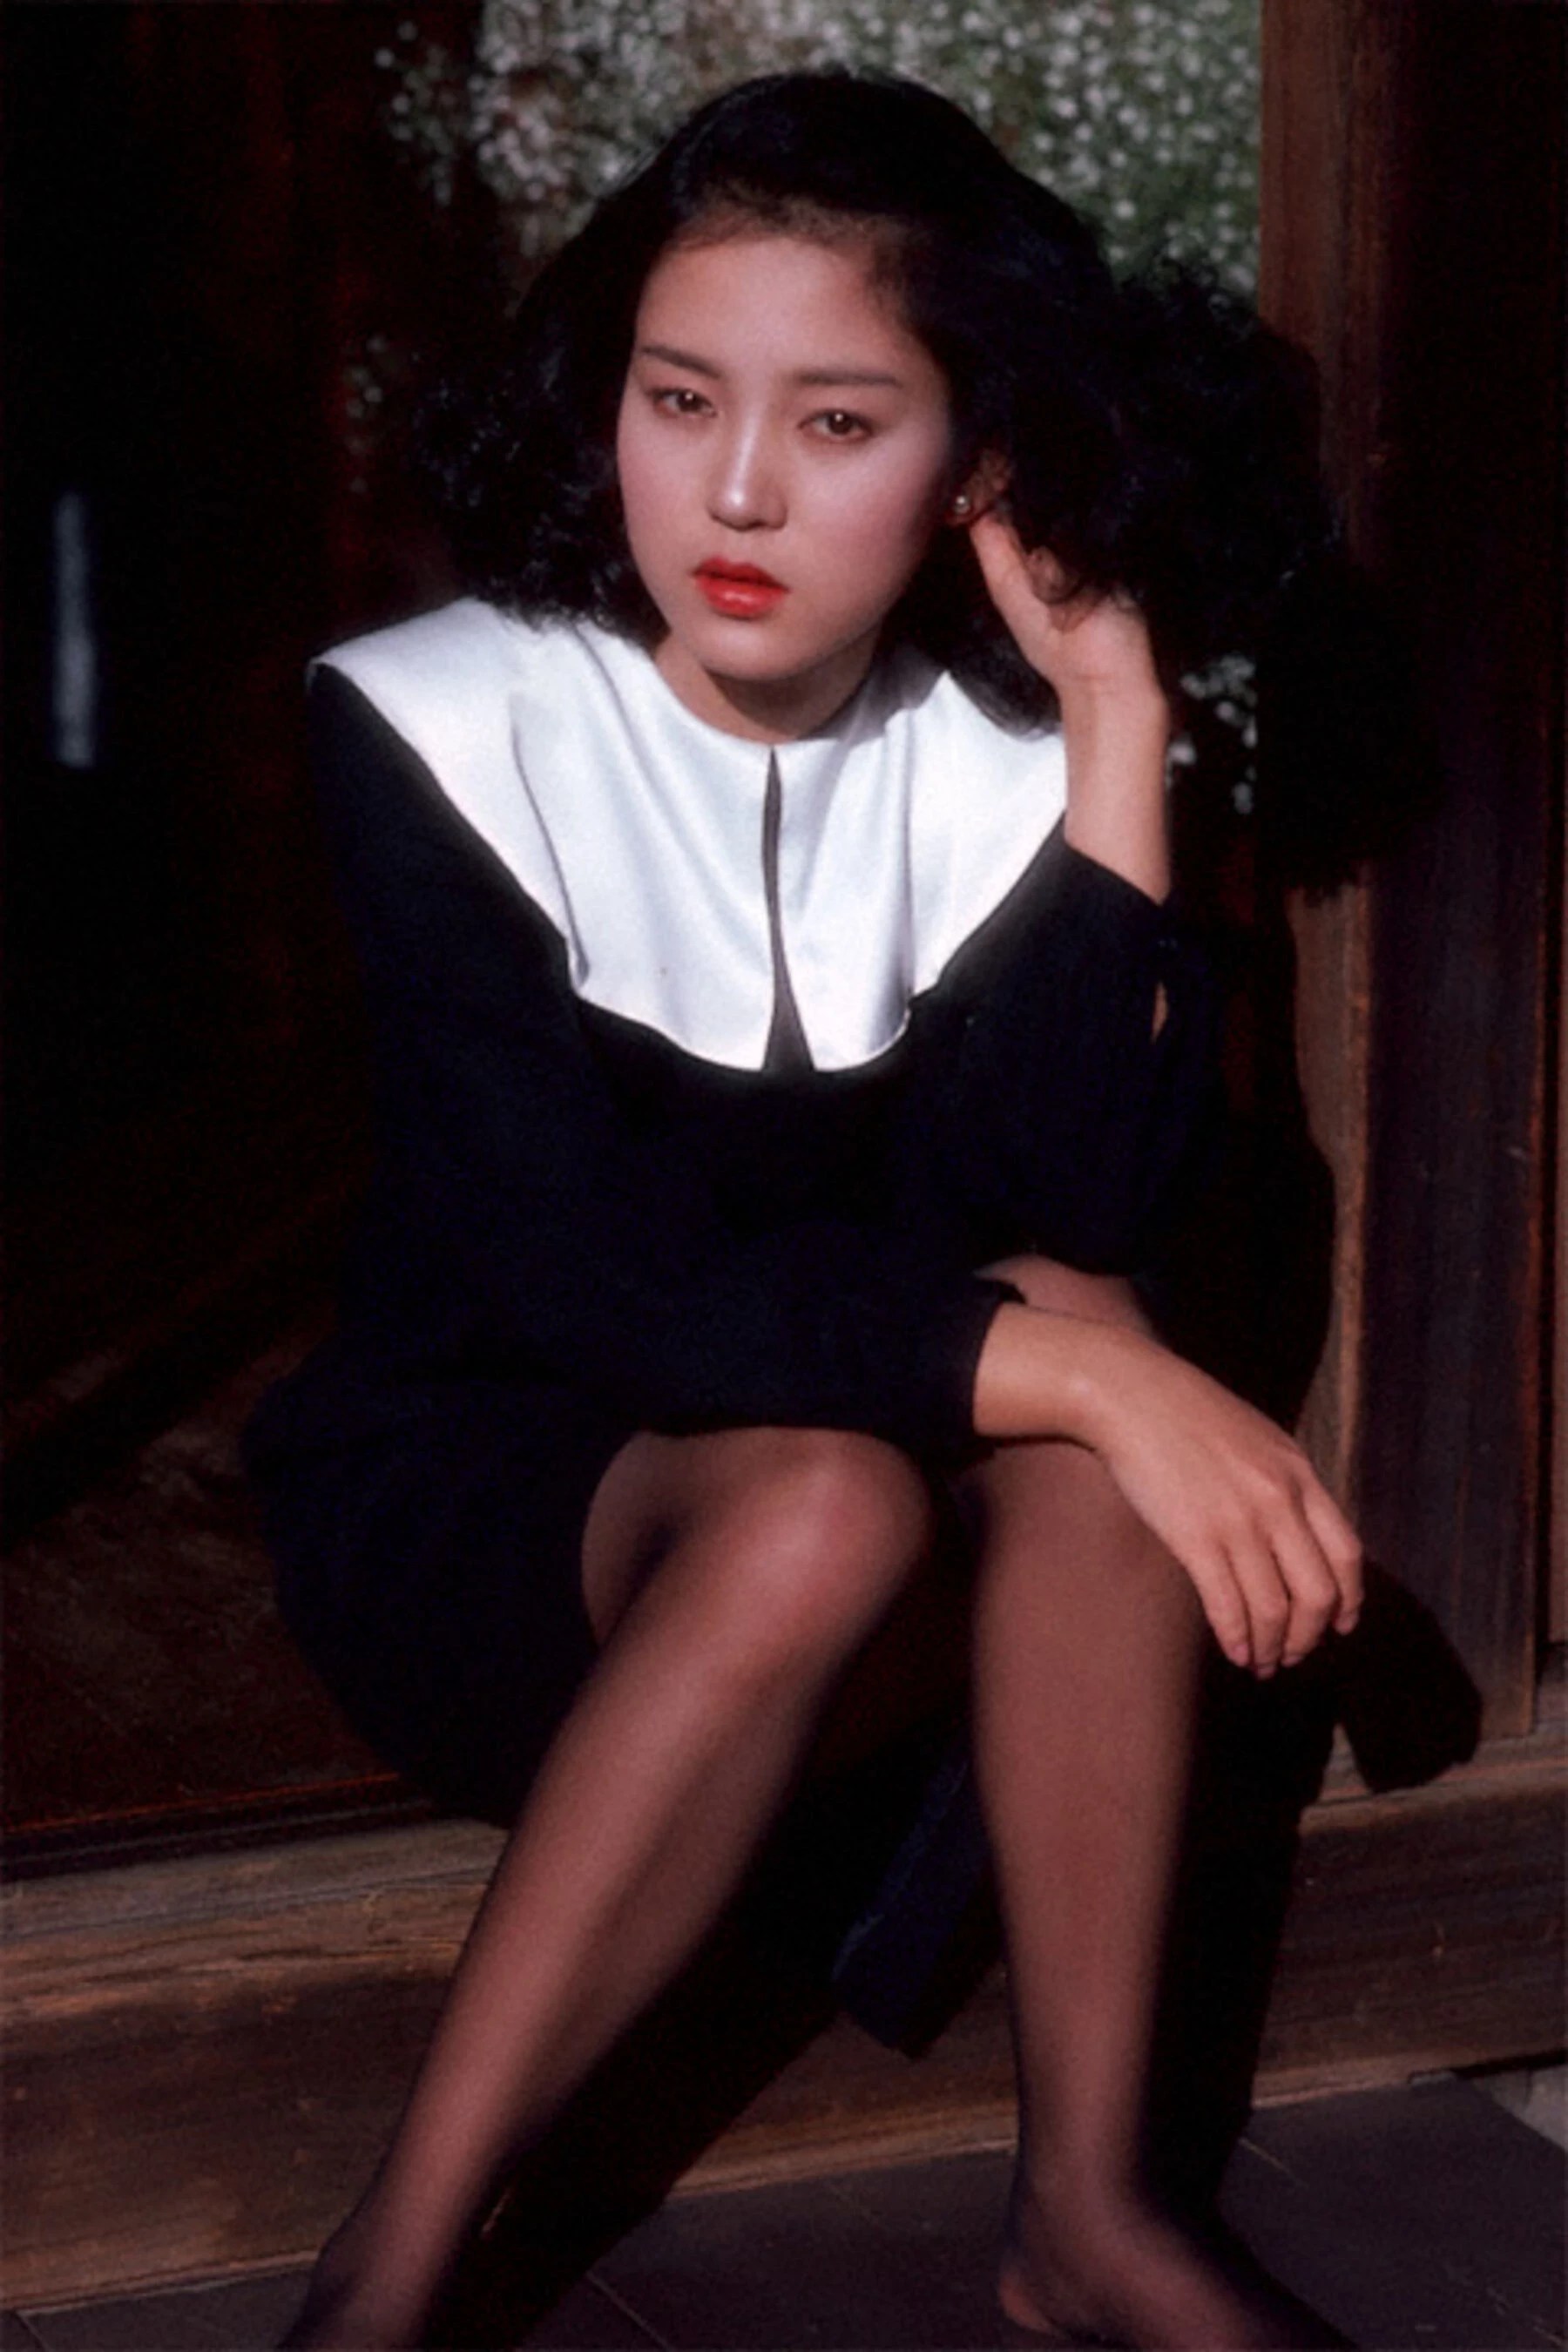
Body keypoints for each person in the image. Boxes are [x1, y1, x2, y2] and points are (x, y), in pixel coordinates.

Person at [247, 70, 1363, 2350]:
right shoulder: (450, 723)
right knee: (878, 1476)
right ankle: (384, 2283)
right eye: (680, 400)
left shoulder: (991, 761)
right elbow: (587, 1279)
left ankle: (1092, 2218)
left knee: (1055, 1338)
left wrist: (1114, 706)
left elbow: (1082, 1201)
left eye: (838, 423)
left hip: (856, 1514)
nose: (736, 489)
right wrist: (1086, 1379)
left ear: (976, 470)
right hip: (491, 1513)